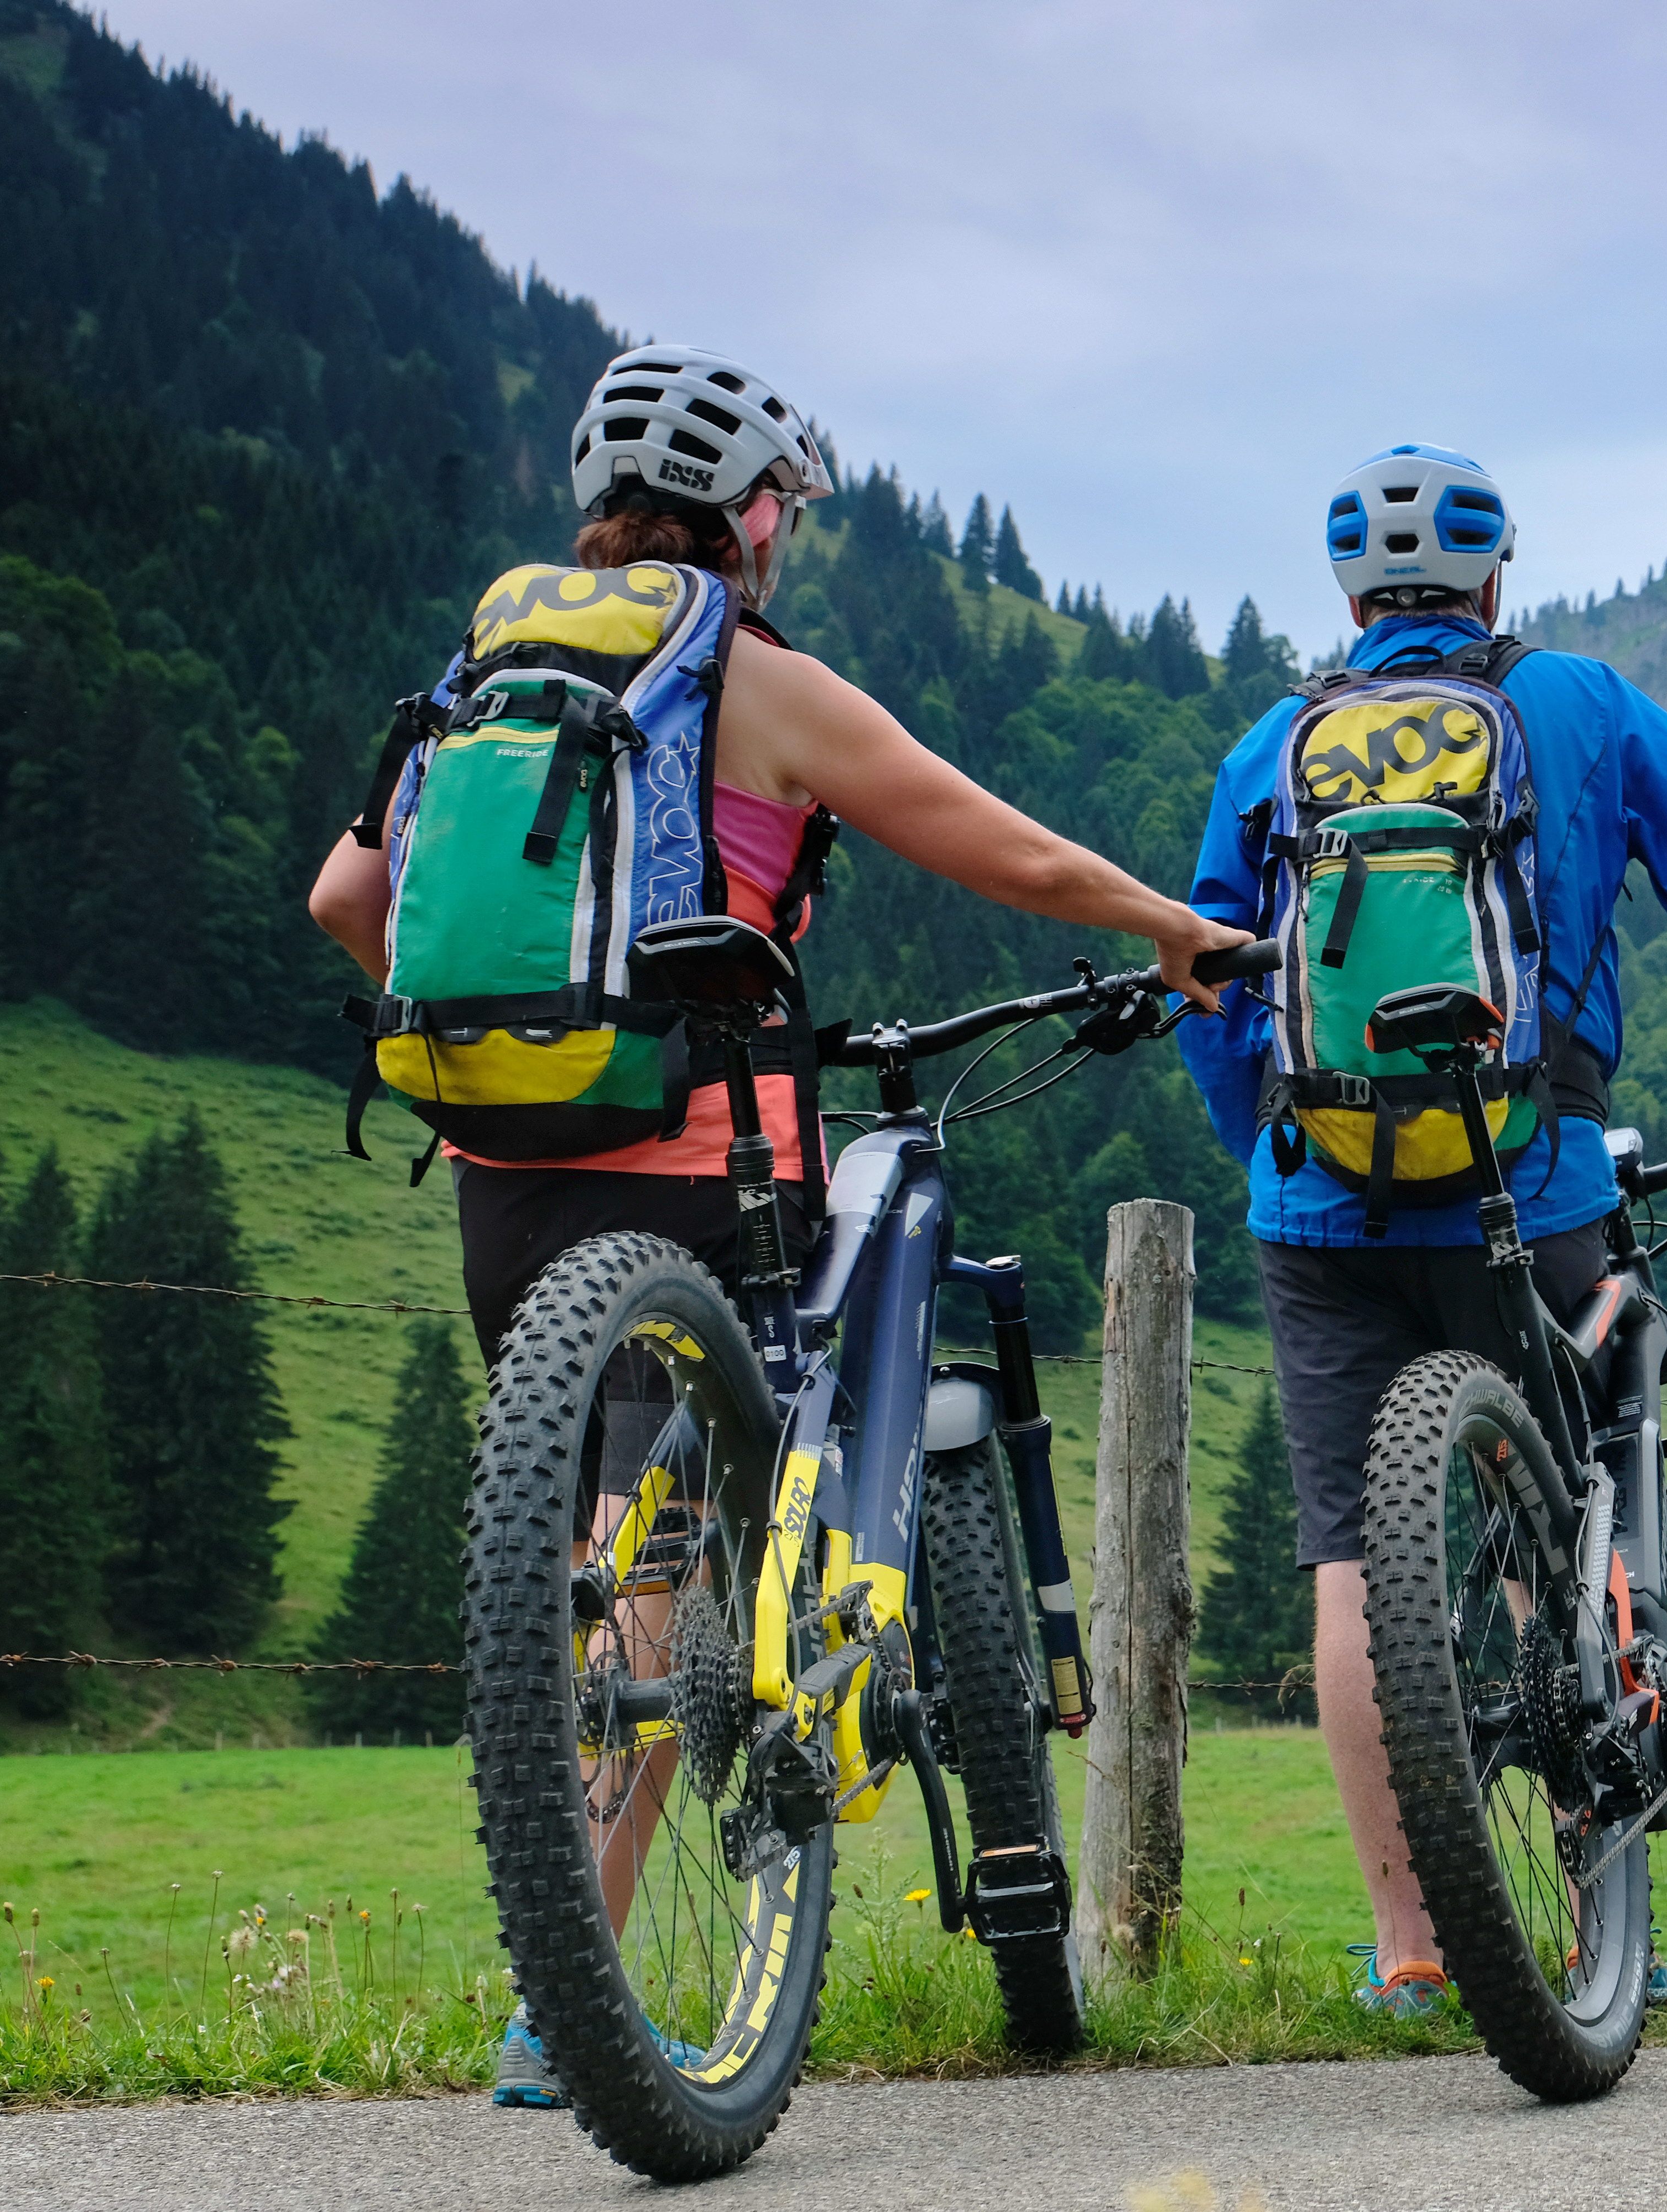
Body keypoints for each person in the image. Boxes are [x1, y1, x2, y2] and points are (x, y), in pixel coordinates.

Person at [304, 345, 1246, 2104]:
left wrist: (505, 1063)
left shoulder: (487, 667)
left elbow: (348, 897)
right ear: (748, 513)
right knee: (668, 1568)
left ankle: (560, 1943)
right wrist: (1172, 930)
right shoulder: (751, 675)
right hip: (706, 1159)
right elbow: (1005, 852)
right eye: (783, 512)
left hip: (509, 1176)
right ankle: (562, 2008)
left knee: (598, 1528)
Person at [1178, 443, 1667, 2018]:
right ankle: (1593, 1937)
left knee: (1350, 1559)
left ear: (1354, 598)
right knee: (1560, 1531)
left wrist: (1285, 1156)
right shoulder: (1576, 706)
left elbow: (1213, 989)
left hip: (1321, 1213)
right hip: (1535, 1185)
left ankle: (1414, 1954)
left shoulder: (1273, 748)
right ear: (1494, 579)